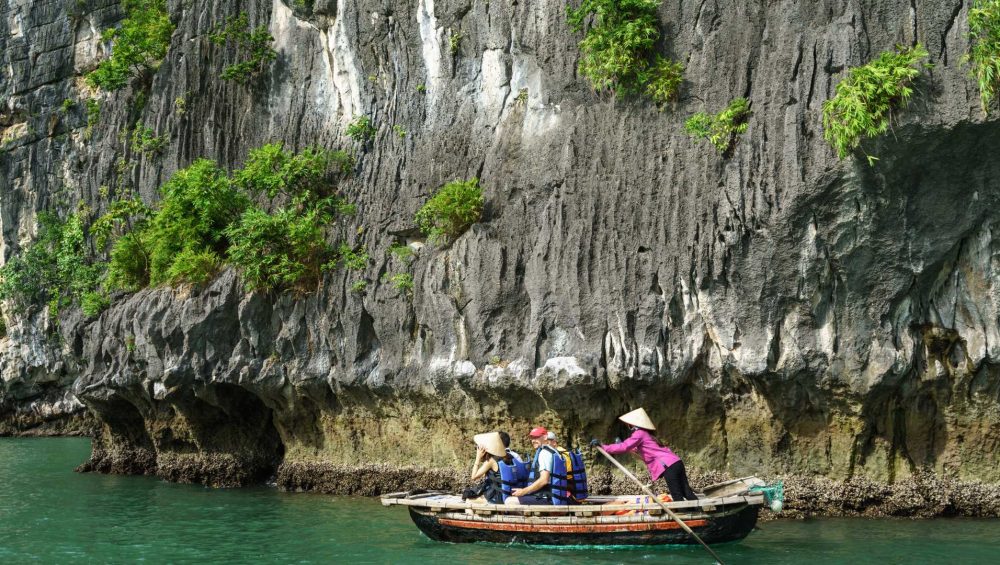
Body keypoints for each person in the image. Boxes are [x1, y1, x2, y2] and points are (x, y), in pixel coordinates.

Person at [591, 407, 698, 501]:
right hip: (676, 462)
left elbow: (624, 447)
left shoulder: (639, 433)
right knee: (686, 491)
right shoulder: (647, 434)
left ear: (632, 424)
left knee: (677, 494)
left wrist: (603, 446)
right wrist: (622, 446)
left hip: (669, 466)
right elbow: (635, 450)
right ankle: (698, 510)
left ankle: (684, 516)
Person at [506, 426, 558, 505]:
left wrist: (523, 491)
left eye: (536, 437)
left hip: (547, 498)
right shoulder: (553, 451)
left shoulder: (544, 453)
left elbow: (544, 480)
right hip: (552, 496)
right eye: (532, 438)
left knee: (509, 501)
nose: (533, 440)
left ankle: (532, 517)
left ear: (545, 437)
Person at [463, 432, 508, 504]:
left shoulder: (491, 461)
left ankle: (472, 516)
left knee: (468, 501)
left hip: (496, 497)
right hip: (506, 494)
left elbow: (474, 477)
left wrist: (478, 457)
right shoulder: (507, 457)